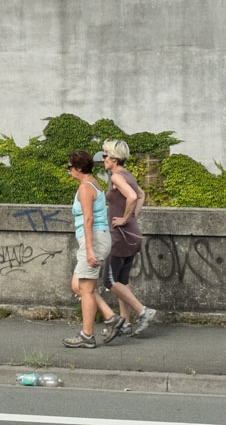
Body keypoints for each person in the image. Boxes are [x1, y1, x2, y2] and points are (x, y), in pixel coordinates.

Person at [97, 140, 158, 341]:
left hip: (120, 236)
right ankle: (126, 323)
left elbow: (132, 196)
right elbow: (141, 195)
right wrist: (132, 218)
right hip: (132, 234)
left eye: (105, 155)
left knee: (109, 280)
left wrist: (124, 219)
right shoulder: (127, 174)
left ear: (114, 158)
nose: (103, 159)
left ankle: (143, 312)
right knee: (121, 281)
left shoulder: (116, 176)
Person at [62, 149, 117, 348]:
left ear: (78, 168)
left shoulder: (86, 187)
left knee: (86, 290)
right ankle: (111, 317)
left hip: (92, 240)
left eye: (69, 167)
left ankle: (87, 336)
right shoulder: (94, 183)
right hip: (96, 238)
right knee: (78, 285)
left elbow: (88, 219)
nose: (68, 171)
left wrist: (90, 250)